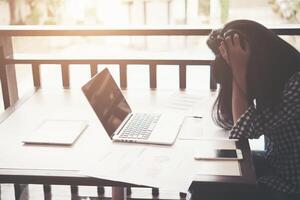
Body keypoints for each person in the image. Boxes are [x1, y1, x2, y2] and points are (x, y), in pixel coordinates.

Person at [206, 20, 300, 200]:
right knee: (212, 167)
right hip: (276, 164)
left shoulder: (296, 84)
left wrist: (237, 68)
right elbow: (238, 124)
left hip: (291, 185)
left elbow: (243, 129)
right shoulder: (277, 77)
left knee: (215, 189)